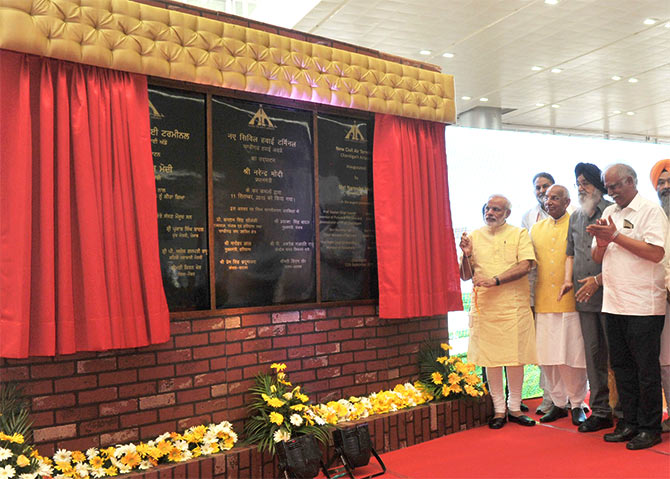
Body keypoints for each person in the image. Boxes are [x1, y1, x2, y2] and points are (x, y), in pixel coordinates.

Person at [587, 163, 666, 450]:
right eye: (608, 188)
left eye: (615, 186)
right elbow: (597, 257)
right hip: (614, 302)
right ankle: (629, 422)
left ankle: (650, 427)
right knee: (621, 367)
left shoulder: (650, 211)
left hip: (644, 304)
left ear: (631, 181)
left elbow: (657, 253)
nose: (611, 192)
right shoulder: (609, 213)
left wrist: (616, 237)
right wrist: (602, 241)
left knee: (645, 369)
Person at [459, 195, 537, 429]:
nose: (490, 212)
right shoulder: (473, 235)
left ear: (507, 213)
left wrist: (496, 280)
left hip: (513, 306)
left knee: (515, 358)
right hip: (486, 308)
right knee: (491, 360)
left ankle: (514, 407)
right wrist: (466, 254)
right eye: (487, 208)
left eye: (496, 209)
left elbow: (525, 265)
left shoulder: (519, 234)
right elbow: (465, 275)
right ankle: (499, 410)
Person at [560, 163, 616, 433]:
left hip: (613, 294)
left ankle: (626, 410)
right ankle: (601, 410)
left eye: (585, 182)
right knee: (593, 355)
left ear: (598, 184)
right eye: (578, 183)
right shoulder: (575, 217)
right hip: (583, 297)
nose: (581, 188)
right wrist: (567, 280)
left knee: (618, 355)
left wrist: (598, 282)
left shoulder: (611, 211)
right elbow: (570, 253)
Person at [531, 185, 588, 426]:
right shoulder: (535, 229)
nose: (549, 201)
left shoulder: (577, 222)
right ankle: (558, 403)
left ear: (567, 202)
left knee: (571, 356)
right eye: (546, 197)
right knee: (549, 357)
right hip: (543, 300)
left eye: (555, 197)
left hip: (570, 301)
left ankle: (577, 404)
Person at [649, 159, 670, 433]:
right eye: (661, 183)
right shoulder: (653, 216)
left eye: (669, 181)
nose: (666, 187)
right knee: (666, 360)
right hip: (660, 297)